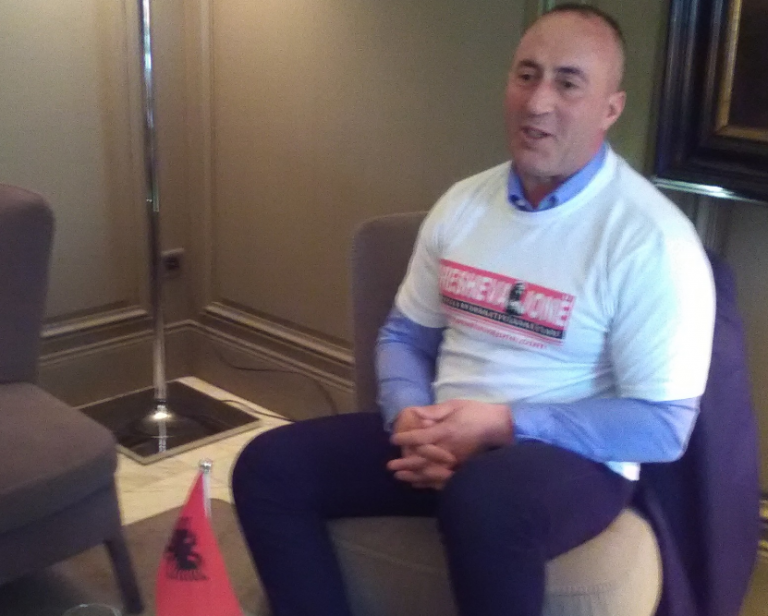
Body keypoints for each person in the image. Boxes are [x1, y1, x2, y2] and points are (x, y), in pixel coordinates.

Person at [231, 4, 716, 616]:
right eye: (526, 76)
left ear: (610, 108)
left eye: (568, 83)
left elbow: (662, 426)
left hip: (571, 462)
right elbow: (405, 335)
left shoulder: (652, 240)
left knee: (485, 497)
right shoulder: (463, 203)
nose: (538, 102)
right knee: (268, 466)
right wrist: (410, 419)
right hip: (441, 431)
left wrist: (500, 425)